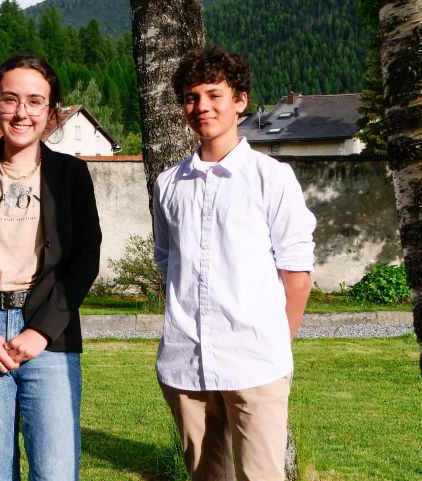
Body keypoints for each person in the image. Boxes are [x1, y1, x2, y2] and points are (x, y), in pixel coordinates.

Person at [152, 46, 316, 481]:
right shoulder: (168, 185)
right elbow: (168, 263)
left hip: (255, 363)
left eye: (214, 94)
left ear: (240, 100)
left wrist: (275, 345)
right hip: (185, 364)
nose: (202, 106)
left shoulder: (271, 178)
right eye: (191, 97)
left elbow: (297, 275)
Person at [0, 55, 102, 481]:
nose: (21, 112)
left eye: (35, 101)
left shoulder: (71, 174)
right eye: (10, 100)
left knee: (55, 470)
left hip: (49, 334)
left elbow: (85, 257)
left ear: (51, 112)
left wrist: (42, 329)